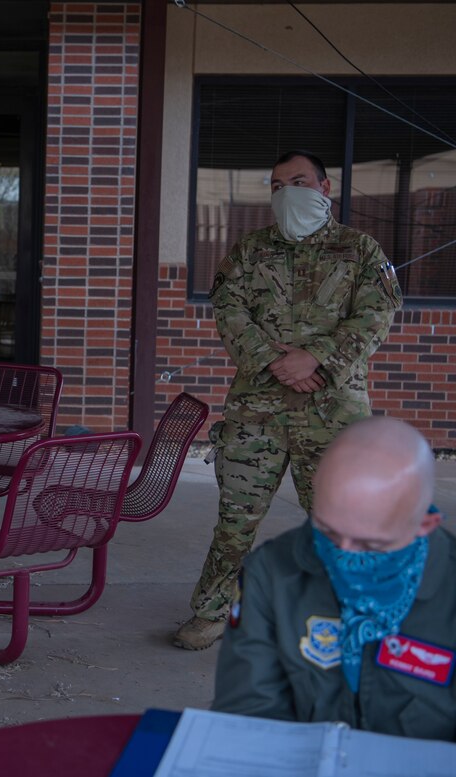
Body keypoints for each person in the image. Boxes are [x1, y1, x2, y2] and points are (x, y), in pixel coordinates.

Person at [173, 150, 403, 650]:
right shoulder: (249, 250)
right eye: (276, 186)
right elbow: (228, 308)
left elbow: (376, 315)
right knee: (236, 519)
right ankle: (211, 612)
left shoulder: (359, 250)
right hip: (257, 410)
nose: (286, 193)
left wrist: (314, 358)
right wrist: (273, 361)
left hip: (332, 411)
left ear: (324, 188)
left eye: (297, 182)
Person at [213, 417, 454, 741]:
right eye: (328, 532)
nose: (343, 554)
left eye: (370, 545)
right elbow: (246, 710)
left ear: (425, 524)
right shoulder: (271, 571)